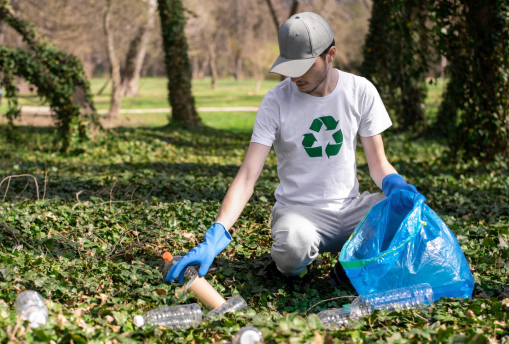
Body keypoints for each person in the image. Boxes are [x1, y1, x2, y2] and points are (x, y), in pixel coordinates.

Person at [166, 12, 419, 286]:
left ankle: (347, 270)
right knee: (293, 246)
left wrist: (396, 185)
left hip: (350, 209)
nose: (294, 75)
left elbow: (378, 163)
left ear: (330, 54)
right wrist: (215, 235)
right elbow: (248, 175)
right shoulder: (276, 101)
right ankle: (296, 269)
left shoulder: (360, 91)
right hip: (299, 213)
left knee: (401, 213)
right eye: (289, 65)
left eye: (304, 66)